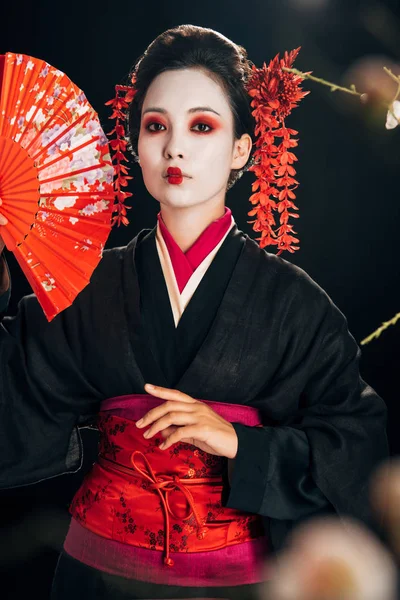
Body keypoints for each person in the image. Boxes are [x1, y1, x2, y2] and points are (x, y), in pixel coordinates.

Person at [0, 24, 388, 600]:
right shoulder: (87, 286)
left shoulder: (296, 306)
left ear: (242, 148)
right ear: (134, 144)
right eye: (156, 126)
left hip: (235, 583)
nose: (174, 147)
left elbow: (357, 448)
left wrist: (240, 445)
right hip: (96, 576)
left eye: (201, 126)